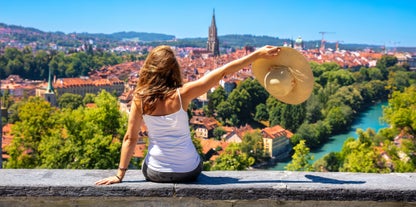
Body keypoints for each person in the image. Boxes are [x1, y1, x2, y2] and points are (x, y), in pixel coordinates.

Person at [95, 45, 281, 185]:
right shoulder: (182, 94)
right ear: (173, 69)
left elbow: (130, 138)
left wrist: (120, 175)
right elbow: (222, 71)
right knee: (195, 156)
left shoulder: (139, 99)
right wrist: (257, 54)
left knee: (147, 160)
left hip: (155, 172)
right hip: (189, 170)